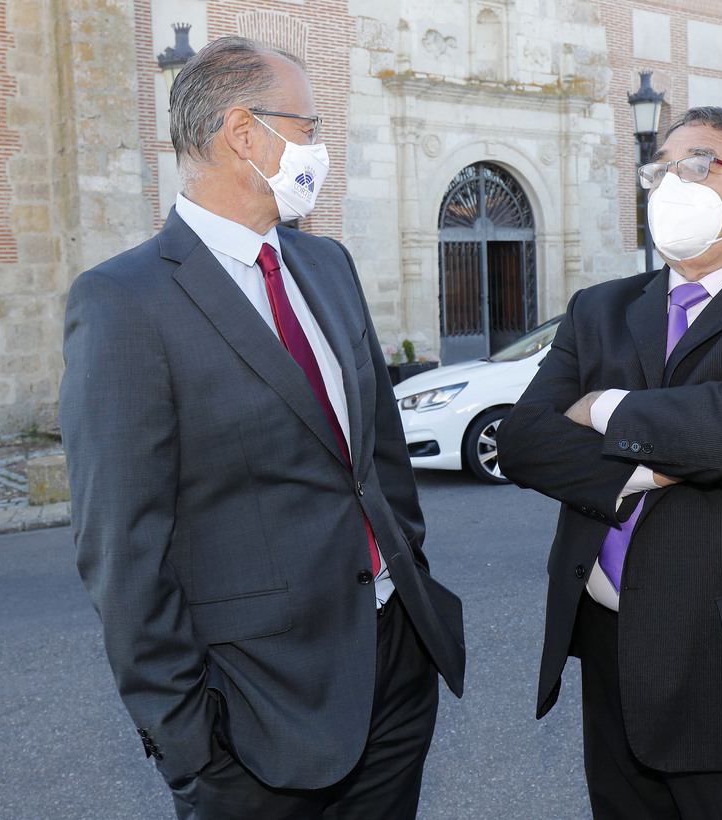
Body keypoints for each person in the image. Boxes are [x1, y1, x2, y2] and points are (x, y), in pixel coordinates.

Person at [59, 36, 464, 820]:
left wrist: (408, 585)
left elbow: (376, 457)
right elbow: (122, 551)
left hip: (394, 670)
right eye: (308, 127)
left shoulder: (328, 265)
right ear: (244, 132)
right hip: (257, 717)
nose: (319, 148)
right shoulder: (124, 303)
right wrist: (191, 746)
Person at [498, 106, 722, 820]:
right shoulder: (598, 309)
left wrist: (602, 407)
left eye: (697, 165)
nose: (670, 183)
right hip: (609, 653)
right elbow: (522, 442)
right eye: (659, 168)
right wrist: (663, 461)